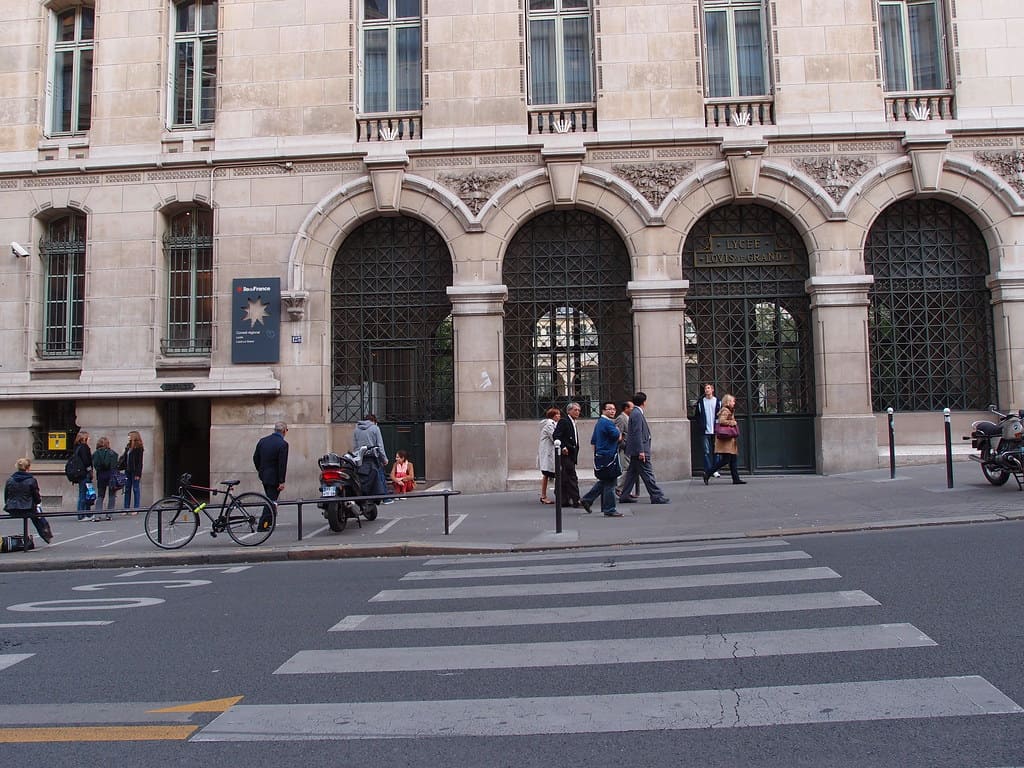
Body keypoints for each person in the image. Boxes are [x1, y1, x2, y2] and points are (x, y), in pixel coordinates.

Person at [617, 391, 670, 505]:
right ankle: (656, 495)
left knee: (632, 474)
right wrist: (641, 451)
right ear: (644, 402)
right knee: (648, 474)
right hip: (640, 450)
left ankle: (625, 495)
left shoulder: (635, 413)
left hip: (637, 450)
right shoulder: (636, 414)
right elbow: (637, 433)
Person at [579, 401, 623, 517]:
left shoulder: (599, 423)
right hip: (609, 455)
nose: (612, 411)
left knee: (604, 481)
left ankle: (588, 499)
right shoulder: (608, 423)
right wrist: (618, 431)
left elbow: (593, 441)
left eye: (614, 409)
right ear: (603, 410)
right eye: (609, 409)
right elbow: (617, 437)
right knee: (611, 482)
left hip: (601, 455)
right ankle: (609, 509)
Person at [4, 458, 53, 544]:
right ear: (28, 468)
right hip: (27, 509)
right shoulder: (31, 480)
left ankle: (45, 532)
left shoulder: (10, 480)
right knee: (38, 514)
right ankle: (45, 533)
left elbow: (6, 496)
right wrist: (37, 503)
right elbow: (36, 497)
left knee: (36, 511)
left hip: (12, 508)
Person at [704, 394, 747, 485]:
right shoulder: (725, 410)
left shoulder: (729, 410)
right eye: (732, 401)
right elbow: (721, 421)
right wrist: (732, 422)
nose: (734, 403)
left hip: (729, 439)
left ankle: (736, 479)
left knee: (733, 460)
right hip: (726, 440)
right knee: (726, 460)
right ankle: (708, 473)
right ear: (728, 402)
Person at [353, 414, 390, 502]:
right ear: (374, 421)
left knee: (362, 476)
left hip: (360, 457)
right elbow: (380, 446)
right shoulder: (375, 428)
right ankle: (385, 497)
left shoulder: (356, 430)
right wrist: (384, 459)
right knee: (380, 474)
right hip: (372, 456)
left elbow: (354, 446)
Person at [551, 401, 582, 508]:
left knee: (565, 478)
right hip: (566, 454)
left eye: (578, 410)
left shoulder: (573, 422)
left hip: (572, 454)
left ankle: (563, 500)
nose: (577, 412)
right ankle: (576, 500)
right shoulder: (564, 421)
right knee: (572, 477)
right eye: (575, 410)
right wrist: (563, 446)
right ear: (569, 411)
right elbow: (556, 435)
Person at [694, 383, 722, 480]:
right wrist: (701, 424)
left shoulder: (717, 401)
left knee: (716, 451)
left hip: (715, 429)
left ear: (712, 390)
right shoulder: (701, 402)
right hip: (704, 429)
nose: (707, 390)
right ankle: (708, 469)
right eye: (706, 388)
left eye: (708, 388)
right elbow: (697, 415)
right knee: (706, 451)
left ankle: (715, 470)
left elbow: (720, 414)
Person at [537, 407, 561, 504]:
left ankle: (553, 494)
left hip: (549, 453)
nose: (559, 416)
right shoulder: (549, 425)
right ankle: (544, 496)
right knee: (547, 474)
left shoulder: (551, 424)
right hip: (548, 454)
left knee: (548, 474)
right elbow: (555, 437)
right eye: (557, 414)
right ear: (553, 416)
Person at [91, 436, 119, 520]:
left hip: (101, 475)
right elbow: (115, 465)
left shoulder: (96, 453)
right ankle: (109, 514)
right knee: (112, 495)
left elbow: (95, 465)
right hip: (111, 475)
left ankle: (97, 515)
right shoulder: (112, 453)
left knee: (100, 496)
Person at [614, 400, 637, 499]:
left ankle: (626, 489)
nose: (633, 409)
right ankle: (620, 488)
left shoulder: (629, 418)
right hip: (625, 448)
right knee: (626, 469)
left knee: (630, 469)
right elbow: (618, 434)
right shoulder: (621, 418)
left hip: (630, 448)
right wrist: (624, 445)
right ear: (626, 408)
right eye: (632, 407)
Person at [72, 431, 95, 521]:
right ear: (84, 438)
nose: (89, 439)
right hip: (84, 474)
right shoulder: (84, 447)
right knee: (85, 494)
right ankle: (82, 514)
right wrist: (90, 471)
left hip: (80, 474)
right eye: (88, 437)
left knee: (84, 493)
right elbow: (86, 461)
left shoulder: (77, 447)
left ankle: (85, 513)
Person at [120, 431, 144, 515]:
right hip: (127, 470)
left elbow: (139, 462)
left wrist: (138, 473)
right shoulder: (128, 446)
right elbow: (124, 458)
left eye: (129, 436)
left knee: (135, 489)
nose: (128, 437)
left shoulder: (139, 447)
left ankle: (136, 508)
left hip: (134, 471)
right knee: (127, 489)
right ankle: (126, 508)